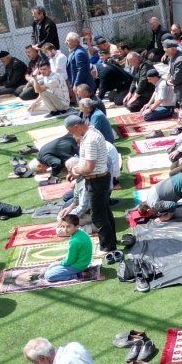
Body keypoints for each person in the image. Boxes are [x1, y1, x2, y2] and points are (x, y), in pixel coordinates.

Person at [66, 116, 120, 263]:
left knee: (98, 216)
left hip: (96, 180)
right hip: (100, 178)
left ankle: (108, 247)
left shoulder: (89, 139)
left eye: (72, 131)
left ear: (77, 126)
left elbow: (89, 167)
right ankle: (111, 241)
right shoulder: (92, 132)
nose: (72, 135)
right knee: (105, 211)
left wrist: (76, 171)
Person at [43, 214, 93, 283]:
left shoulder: (74, 241)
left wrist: (59, 263)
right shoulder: (81, 233)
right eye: (63, 227)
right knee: (51, 267)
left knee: (48, 276)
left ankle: (77, 275)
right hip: (84, 263)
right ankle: (78, 272)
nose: (65, 230)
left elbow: (69, 261)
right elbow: (76, 253)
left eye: (68, 227)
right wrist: (63, 258)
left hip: (78, 266)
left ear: (77, 227)